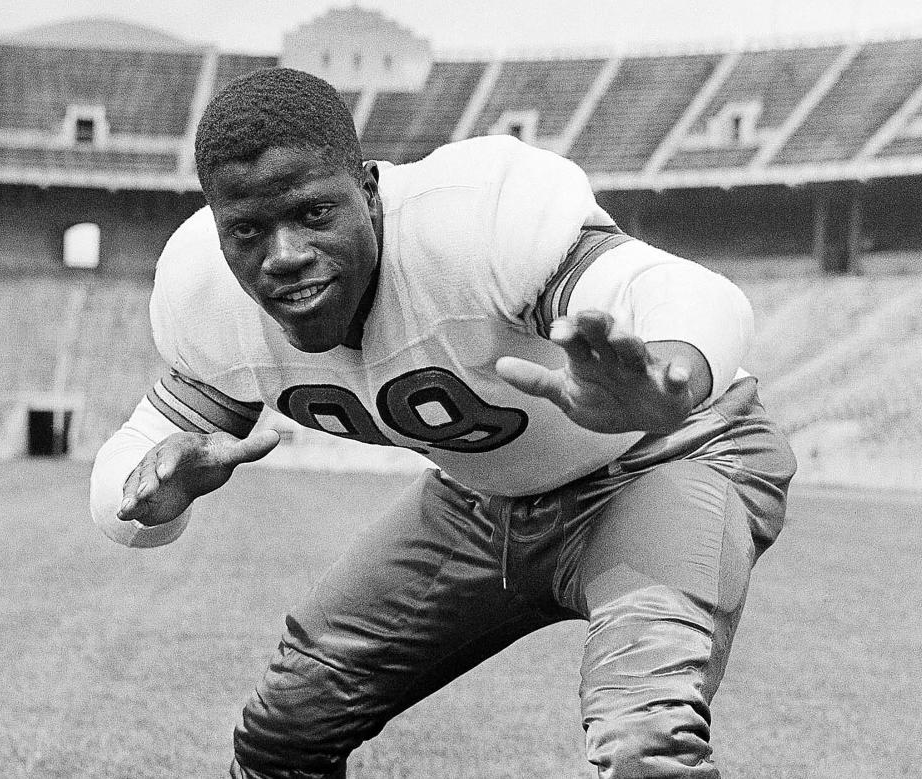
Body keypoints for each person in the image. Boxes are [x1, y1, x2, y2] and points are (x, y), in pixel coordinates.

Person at [90, 67, 796, 779]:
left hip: (667, 457)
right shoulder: (205, 297)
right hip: (484, 500)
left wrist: (671, 375)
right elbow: (137, 463)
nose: (284, 255)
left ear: (368, 190)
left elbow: (685, 292)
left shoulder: (468, 220)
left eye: (311, 214)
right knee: (285, 734)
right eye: (247, 229)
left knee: (646, 739)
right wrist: (148, 493)